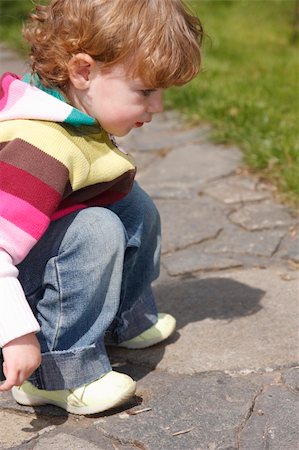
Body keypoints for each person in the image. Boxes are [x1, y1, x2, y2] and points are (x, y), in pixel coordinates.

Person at [0, 0, 203, 415]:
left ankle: (123, 319)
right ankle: (58, 374)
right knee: (94, 228)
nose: (158, 107)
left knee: (131, 206)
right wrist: (17, 334)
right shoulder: (37, 149)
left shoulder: (74, 117)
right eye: (146, 91)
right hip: (12, 326)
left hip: (31, 277)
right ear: (84, 72)